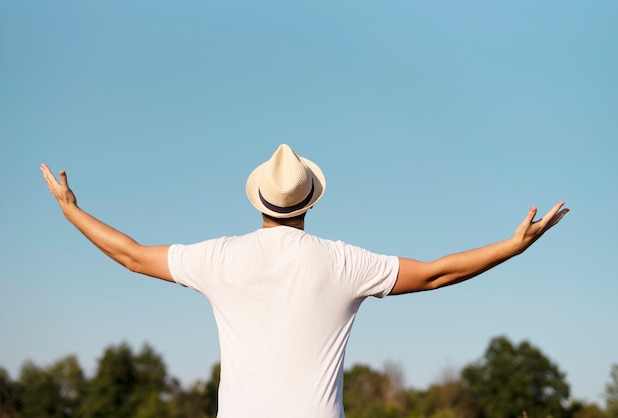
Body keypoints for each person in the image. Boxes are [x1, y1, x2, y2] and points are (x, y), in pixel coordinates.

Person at [41, 144, 568, 418]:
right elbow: (435, 275)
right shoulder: (342, 263)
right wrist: (513, 245)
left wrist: (72, 213)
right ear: (311, 201)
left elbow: (131, 256)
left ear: (259, 201)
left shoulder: (221, 258)